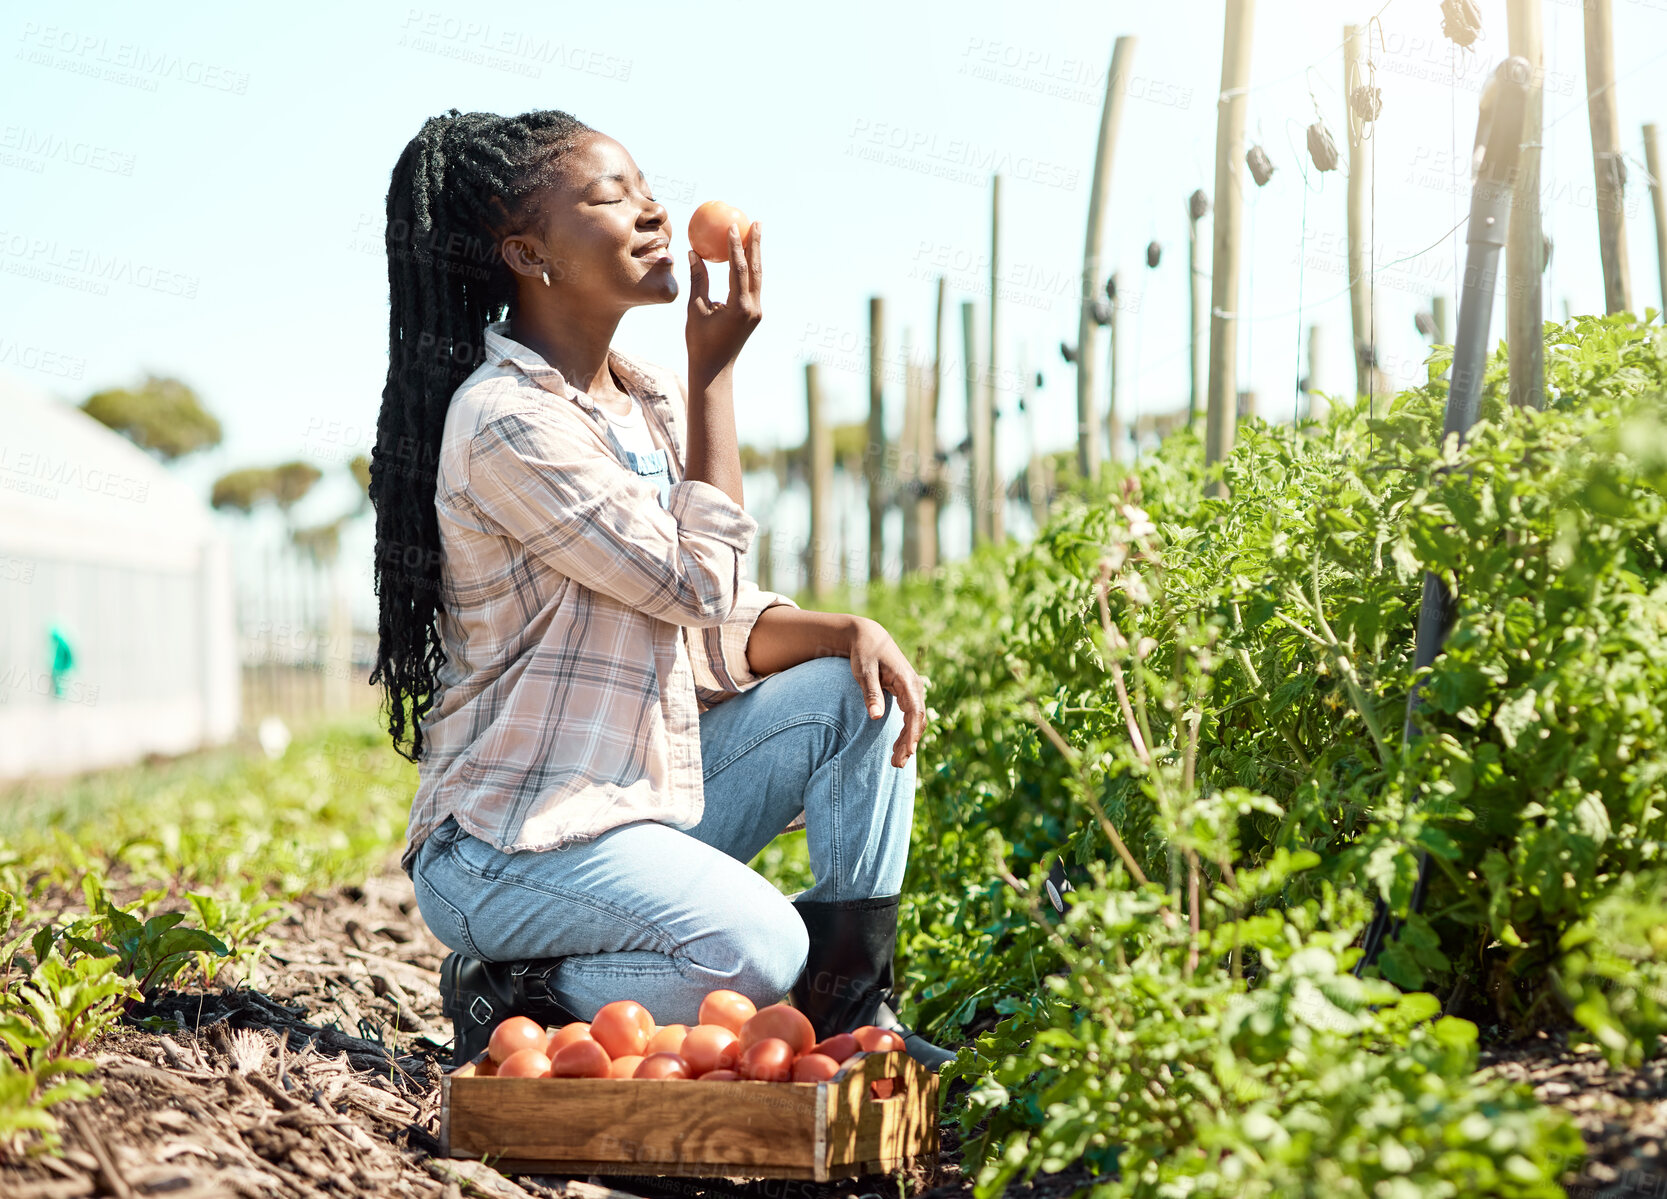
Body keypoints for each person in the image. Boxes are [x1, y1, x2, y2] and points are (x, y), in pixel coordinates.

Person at [367, 108, 954, 1071]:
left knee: (860, 692)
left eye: (647, 190)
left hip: (627, 798)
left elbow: (711, 621)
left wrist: (851, 629)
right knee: (756, 952)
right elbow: (687, 578)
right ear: (528, 253)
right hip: (513, 843)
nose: (651, 212)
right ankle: (516, 991)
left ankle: (854, 1009)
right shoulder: (507, 421)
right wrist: (714, 374)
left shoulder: (638, 403)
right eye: (610, 196)